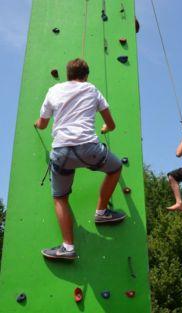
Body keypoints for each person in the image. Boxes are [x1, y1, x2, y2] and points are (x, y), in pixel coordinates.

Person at [34, 58, 125, 260]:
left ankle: (68, 248)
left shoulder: (53, 90)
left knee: (60, 197)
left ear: (68, 75)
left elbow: (42, 124)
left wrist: (37, 123)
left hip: (62, 152)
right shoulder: (92, 89)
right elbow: (111, 124)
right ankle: (101, 212)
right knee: (115, 168)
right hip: (88, 149)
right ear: (86, 76)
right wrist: (105, 128)